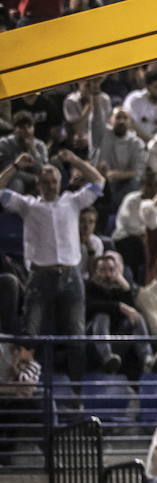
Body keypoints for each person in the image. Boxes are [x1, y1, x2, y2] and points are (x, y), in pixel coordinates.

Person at [1, 151, 105, 379]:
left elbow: (99, 182)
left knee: (76, 335)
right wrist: (16, 166)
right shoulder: (28, 205)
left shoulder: (73, 201)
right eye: (45, 182)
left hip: (71, 274)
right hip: (40, 275)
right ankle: (24, 386)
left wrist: (75, 160)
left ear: (60, 182)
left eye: (54, 181)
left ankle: (77, 394)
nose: (50, 186)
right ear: (38, 184)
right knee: (30, 333)